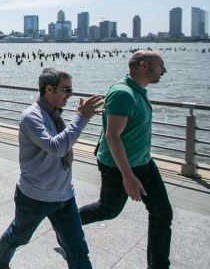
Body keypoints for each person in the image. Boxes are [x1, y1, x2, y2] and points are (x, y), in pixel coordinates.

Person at [0, 68, 104, 269]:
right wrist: (82, 117)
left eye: (71, 90)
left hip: (65, 196)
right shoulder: (31, 117)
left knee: (77, 248)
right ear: (48, 89)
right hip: (35, 197)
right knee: (19, 236)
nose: (70, 95)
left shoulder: (55, 115)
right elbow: (57, 147)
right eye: (66, 89)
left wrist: (79, 117)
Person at [79, 51, 171, 269]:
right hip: (118, 167)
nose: (164, 70)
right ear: (143, 66)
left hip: (144, 163)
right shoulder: (123, 93)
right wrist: (128, 177)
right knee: (108, 210)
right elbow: (112, 136)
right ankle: (67, 222)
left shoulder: (138, 91)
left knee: (162, 213)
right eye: (160, 65)